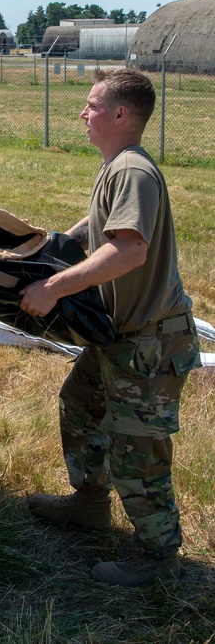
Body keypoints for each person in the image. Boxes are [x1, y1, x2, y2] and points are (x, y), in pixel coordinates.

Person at [20, 68, 201, 587]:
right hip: (117, 337)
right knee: (81, 403)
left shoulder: (133, 171)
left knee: (136, 450)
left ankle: (158, 557)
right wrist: (58, 241)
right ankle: (91, 503)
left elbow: (129, 249)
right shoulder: (115, 167)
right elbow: (102, 229)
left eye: (93, 105)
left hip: (148, 343)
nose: (83, 112)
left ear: (121, 115)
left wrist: (56, 287)